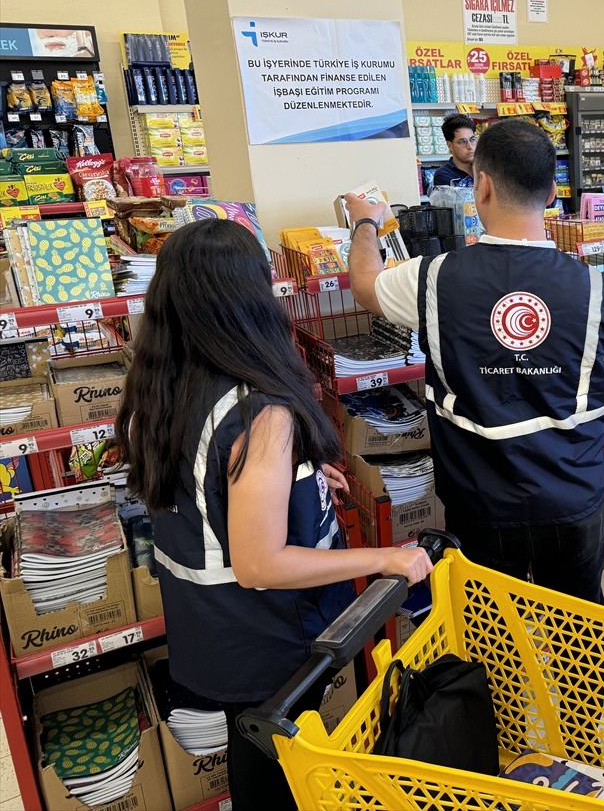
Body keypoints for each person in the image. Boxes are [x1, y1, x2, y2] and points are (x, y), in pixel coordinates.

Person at [115, 220, 434, 810]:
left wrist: (299, 477)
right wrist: (386, 557)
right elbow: (260, 563)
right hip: (267, 635)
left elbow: (210, 488)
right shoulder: (258, 410)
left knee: (255, 752)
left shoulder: (161, 387)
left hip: (210, 629)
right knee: (275, 771)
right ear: (251, 298)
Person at [347, 117, 604, 603]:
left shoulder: (431, 278)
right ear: (552, 193)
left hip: (479, 505)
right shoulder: (597, 289)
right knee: (578, 633)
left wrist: (365, 222)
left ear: (481, 185)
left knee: (489, 632)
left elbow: (364, 285)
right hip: (572, 499)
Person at [432, 113, 477, 188]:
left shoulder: (484, 168)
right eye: (462, 141)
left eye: (472, 139)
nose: (470, 146)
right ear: (450, 145)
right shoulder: (443, 175)